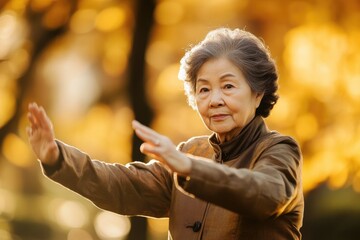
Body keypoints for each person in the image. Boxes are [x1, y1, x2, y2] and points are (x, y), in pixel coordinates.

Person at [27, 27, 304, 239]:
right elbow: (123, 187)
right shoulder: (189, 153)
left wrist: (189, 168)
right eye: (204, 89)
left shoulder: (279, 150)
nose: (214, 100)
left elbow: (265, 194)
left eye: (228, 86)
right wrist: (57, 158)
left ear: (257, 94)